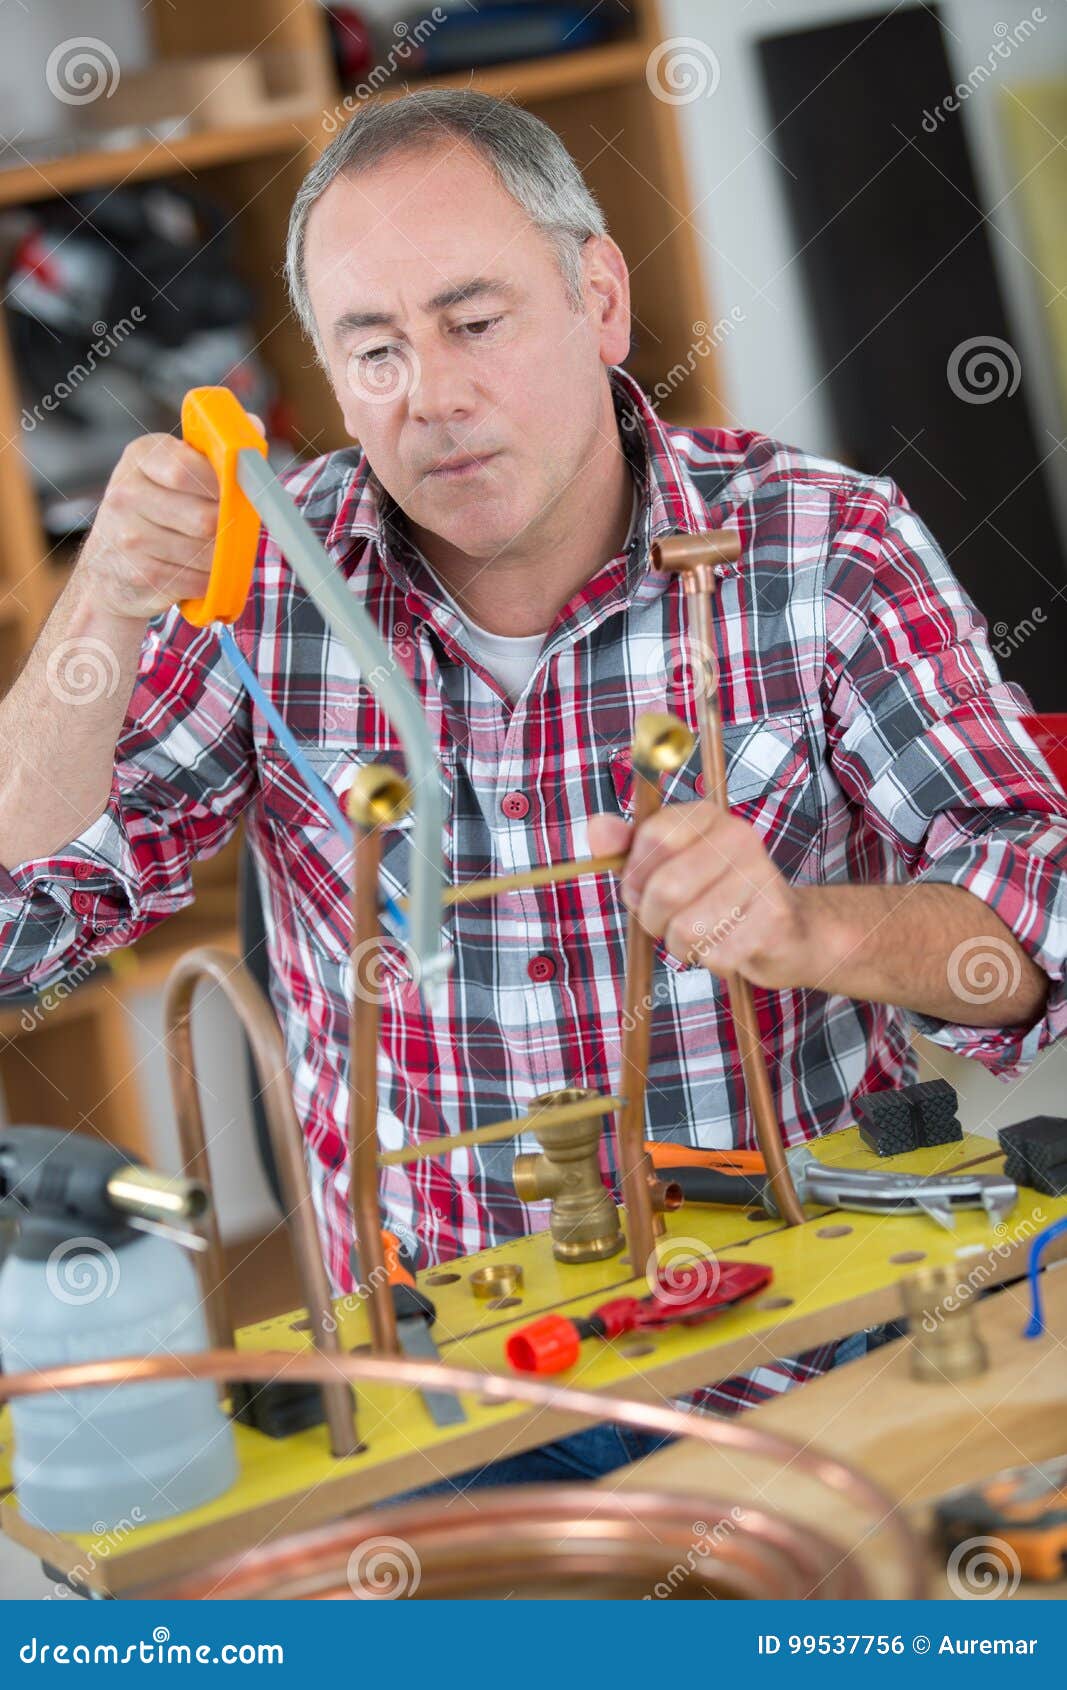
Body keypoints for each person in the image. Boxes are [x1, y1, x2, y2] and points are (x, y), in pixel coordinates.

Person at [1, 90, 1064, 1497]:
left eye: (475, 321)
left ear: (600, 299)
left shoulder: (825, 547)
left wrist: (812, 930)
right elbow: (20, 921)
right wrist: (98, 610)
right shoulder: (268, 580)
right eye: (374, 349)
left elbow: (1039, 919)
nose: (431, 396)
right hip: (445, 1391)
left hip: (806, 1341)